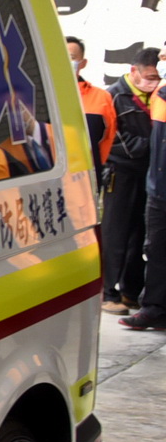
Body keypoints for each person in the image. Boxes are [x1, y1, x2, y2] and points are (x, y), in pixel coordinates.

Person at [103, 50, 158, 311]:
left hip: (148, 173)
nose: (153, 82)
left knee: (141, 234)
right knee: (116, 233)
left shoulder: (158, 96)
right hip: (120, 172)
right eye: (150, 77)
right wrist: (155, 145)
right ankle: (108, 292)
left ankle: (130, 291)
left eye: (157, 78)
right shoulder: (114, 96)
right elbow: (115, 139)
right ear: (134, 70)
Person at [67, 36, 117, 169]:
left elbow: (108, 139)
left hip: (87, 172)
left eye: (71, 57)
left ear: (83, 63)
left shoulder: (101, 97)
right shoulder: (40, 96)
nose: (64, 61)